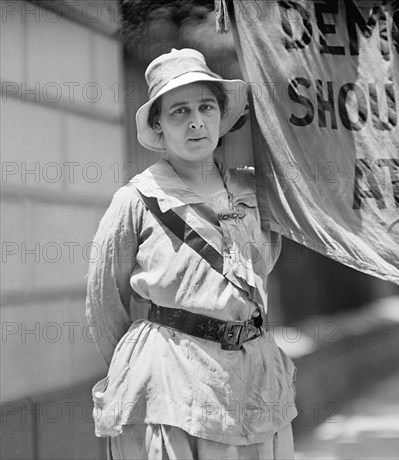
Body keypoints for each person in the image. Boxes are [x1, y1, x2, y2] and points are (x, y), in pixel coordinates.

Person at [86, 48, 297, 459]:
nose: (197, 121)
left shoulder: (258, 193)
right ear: (158, 126)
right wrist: (138, 368)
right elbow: (104, 304)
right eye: (179, 111)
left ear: (221, 115)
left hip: (254, 382)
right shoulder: (136, 200)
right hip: (172, 386)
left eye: (206, 106)